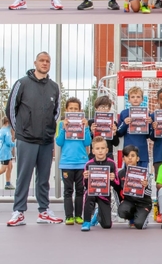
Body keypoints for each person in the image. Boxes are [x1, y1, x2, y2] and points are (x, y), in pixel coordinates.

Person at [6, 51, 63, 226]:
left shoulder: (54, 87)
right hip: (26, 139)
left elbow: (57, 112)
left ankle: (44, 211)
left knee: (44, 177)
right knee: (23, 176)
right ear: (35, 62)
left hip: (45, 140)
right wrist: (19, 130)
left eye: (48, 61)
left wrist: (49, 131)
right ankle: (19, 211)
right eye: (42, 61)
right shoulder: (21, 83)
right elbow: (10, 109)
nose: (45, 63)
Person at [55, 97, 91, 225]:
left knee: (80, 191)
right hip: (67, 163)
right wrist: (64, 128)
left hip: (81, 163)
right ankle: (69, 216)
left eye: (76, 108)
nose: (73, 110)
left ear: (80, 110)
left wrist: (86, 128)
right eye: (71, 108)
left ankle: (78, 216)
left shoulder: (83, 124)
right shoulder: (61, 124)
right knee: (68, 191)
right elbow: (59, 142)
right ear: (66, 110)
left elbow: (88, 142)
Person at [82, 136, 120, 231]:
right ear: (93, 151)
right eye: (97, 148)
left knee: (107, 225)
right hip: (92, 192)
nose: (100, 151)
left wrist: (113, 179)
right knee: (88, 195)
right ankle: (86, 221)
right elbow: (85, 185)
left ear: (107, 150)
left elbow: (117, 184)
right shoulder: (88, 164)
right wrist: (85, 178)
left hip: (104, 194)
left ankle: (98, 214)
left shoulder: (112, 164)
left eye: (102, 148)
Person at [117, 145, 153, 230]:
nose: (130, 158)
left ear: (137, 158)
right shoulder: (120, 174)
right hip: (129, 201)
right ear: (123, 159)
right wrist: (120, 203)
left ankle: (143, 216)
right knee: (122, 212)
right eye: (127, 156)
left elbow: (149, 193)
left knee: (139, 225)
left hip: (143, 202)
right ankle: (132, 216)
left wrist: (146, 186)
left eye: (132, 156)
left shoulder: (144, 173)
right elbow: (117, 190)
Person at [117, 87, 152, 169]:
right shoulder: (124, 113)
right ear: (128, 99)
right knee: (129, 178)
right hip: (128, 152)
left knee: (142, 178)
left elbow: (148, 135)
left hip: (142, 152)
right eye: (132, 97)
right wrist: (125, 123)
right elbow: (119, 133)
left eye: (138, 97)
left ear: (142, 99)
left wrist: (149, 124)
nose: (135, 99)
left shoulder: (146, 114)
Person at [87, 95, 119, 160]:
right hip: (94, 156)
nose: (103, 109)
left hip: (108, 155)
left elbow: (116, 143)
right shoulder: (91, 122)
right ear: (96, 108)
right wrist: (92, 133)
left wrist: (114, 133)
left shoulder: (113, 123)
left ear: (109, 108)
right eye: (101, 106)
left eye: (106, 106)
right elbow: (87, 142)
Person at [0, 117, 16, 190]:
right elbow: (8, 142)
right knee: (3, 169)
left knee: (10, 166)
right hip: (5, 153)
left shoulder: (3, 130)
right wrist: (15, 144)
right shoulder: (6, 131)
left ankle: (8, 183)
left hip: (7, 153)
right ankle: (8, 183)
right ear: (7, 123)